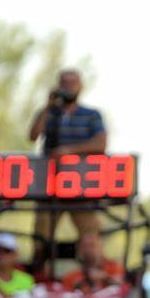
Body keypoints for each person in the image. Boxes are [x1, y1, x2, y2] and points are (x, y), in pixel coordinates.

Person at [29, 69, 107, 261]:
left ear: (80, 86)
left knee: (92, 235)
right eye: (65, 83)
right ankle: (40, 268)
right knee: (40, 237)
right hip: (50, 187)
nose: (69, 87)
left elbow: (101, 144)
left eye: (73, 83)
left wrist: (69, 151)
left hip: (81, 187)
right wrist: (48, 106)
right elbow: (33, 135)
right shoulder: (49, 114)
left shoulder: (91, 115)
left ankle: (94, 270)